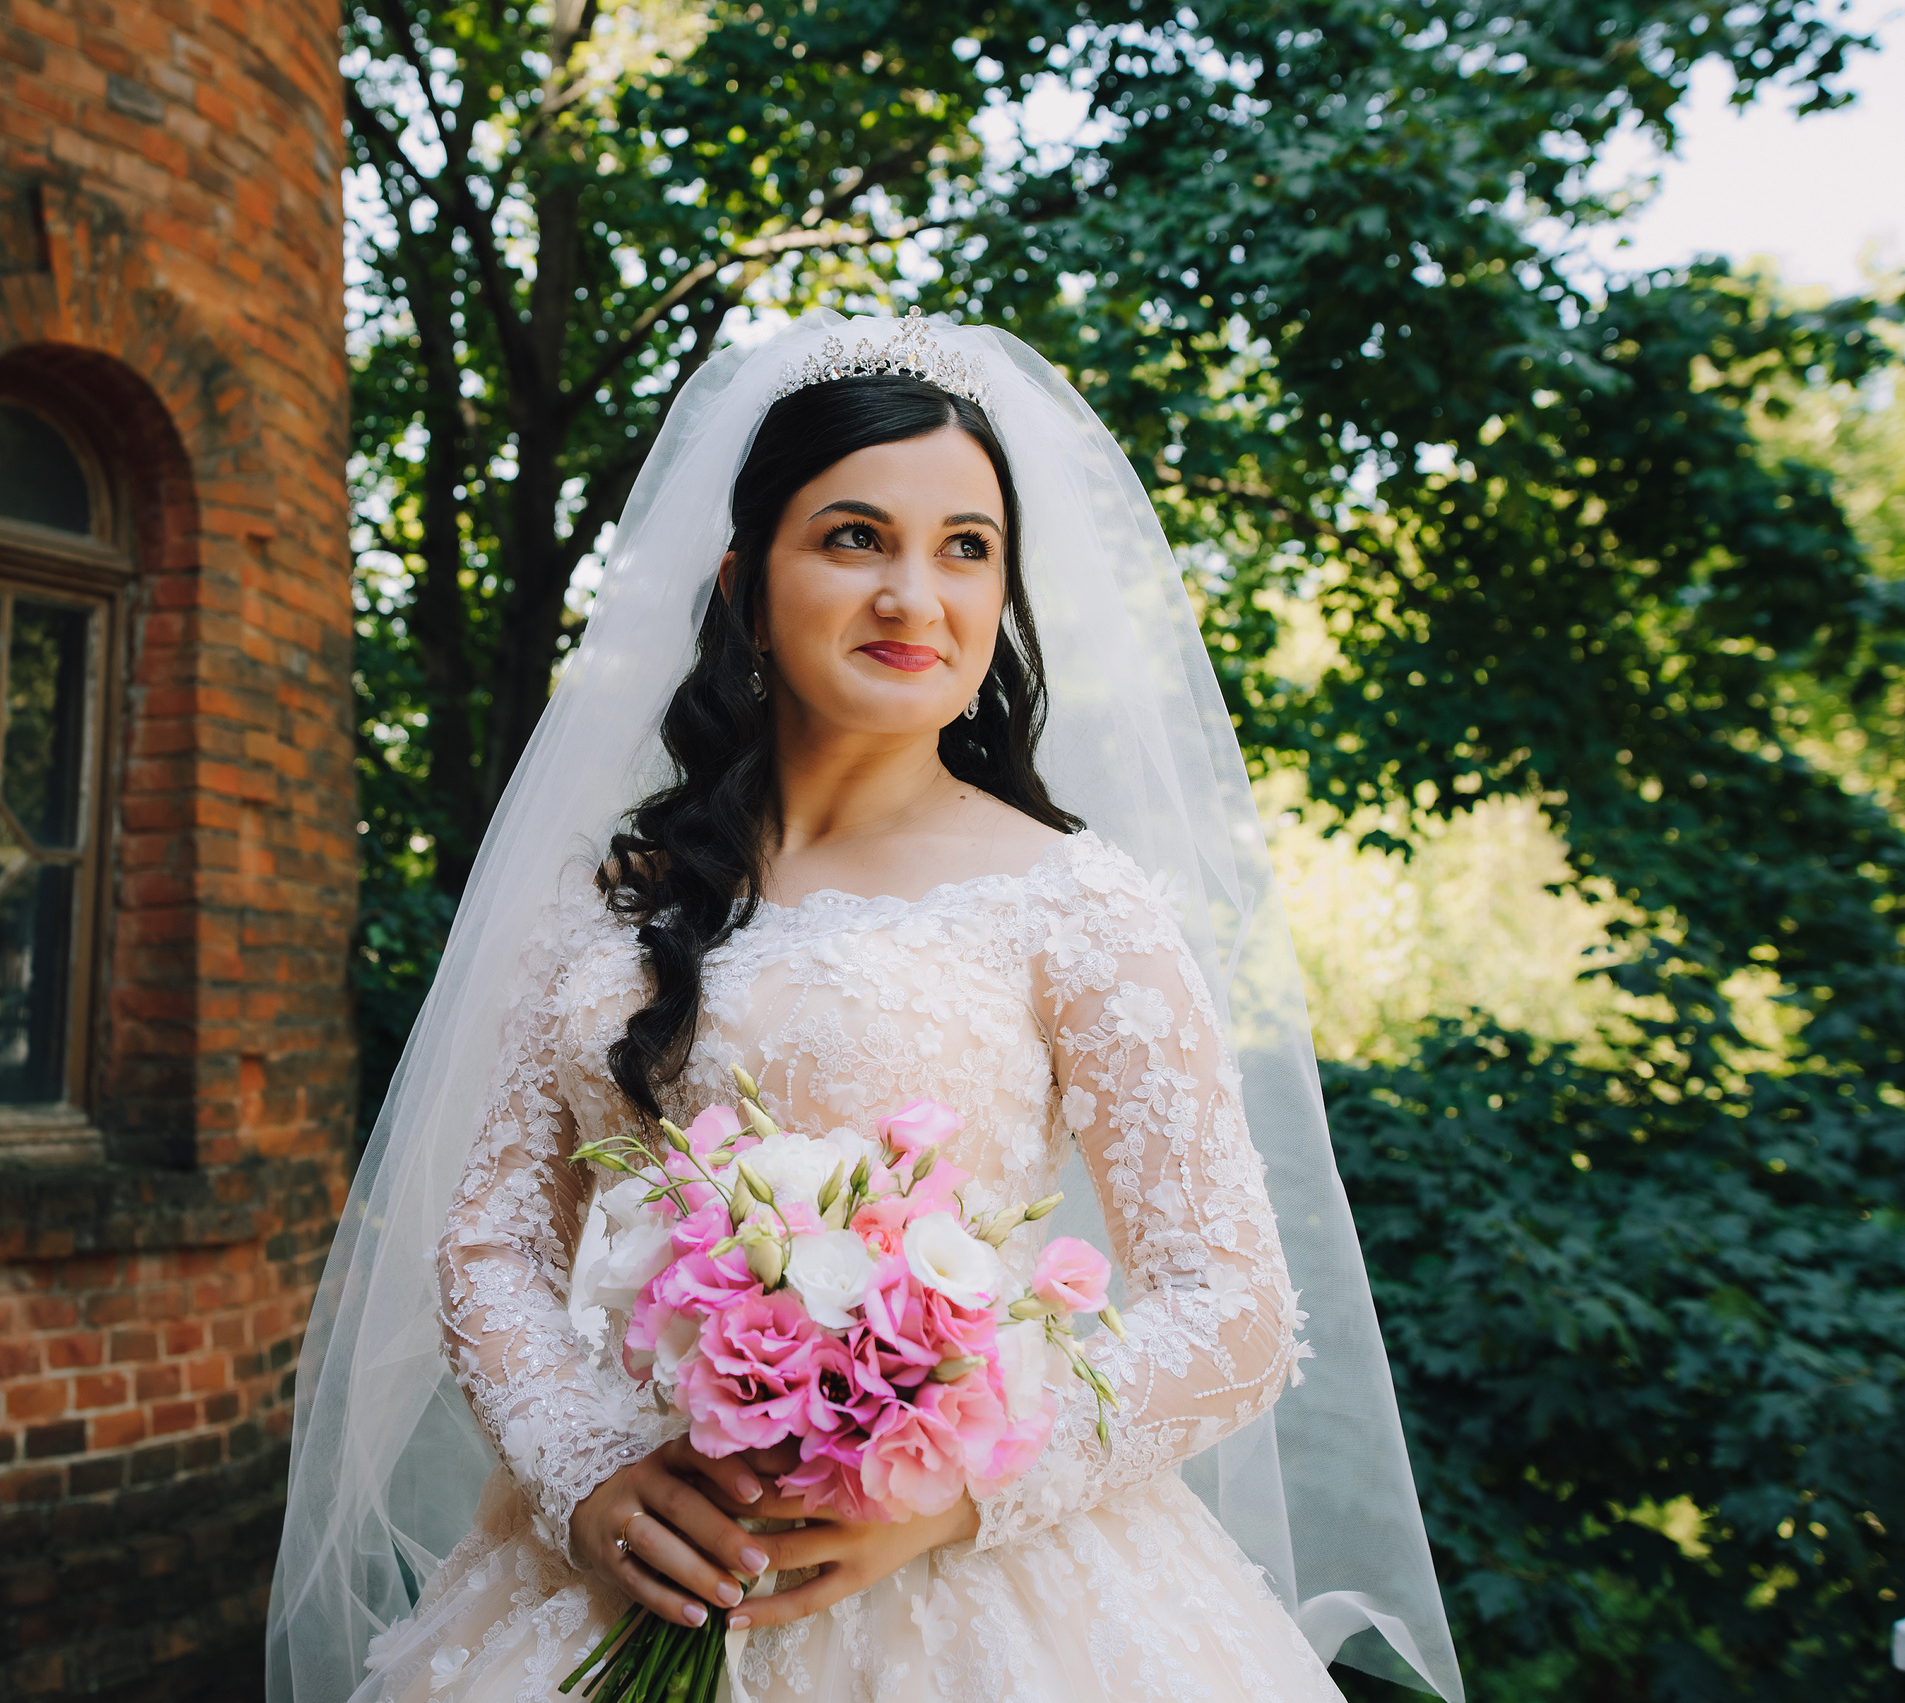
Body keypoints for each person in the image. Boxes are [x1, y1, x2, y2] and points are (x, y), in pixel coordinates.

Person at [267, 313, 1462, 1702]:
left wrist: (950, 1489)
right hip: (632, 1556)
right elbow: (488, 1248)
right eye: (853, 538)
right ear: (744, 582)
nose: (915, 593)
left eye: (967, 548)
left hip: (981, 1593)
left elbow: (1236, 1309)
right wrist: (586, 1470)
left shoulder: (1072, 904)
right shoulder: (601, 899)